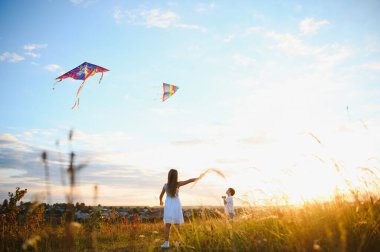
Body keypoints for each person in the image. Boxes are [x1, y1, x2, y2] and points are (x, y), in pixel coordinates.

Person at [159, 169, 199, 248]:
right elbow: (189, 180)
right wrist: (199, 178)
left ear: (169, 176)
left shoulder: (165, 185)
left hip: (168, 205)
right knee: (177, 225)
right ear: (176, 176)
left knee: (167, 225)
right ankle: (177, 243)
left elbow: (161, 195)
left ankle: (166, 243)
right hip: (176, 205)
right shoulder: (178, 184)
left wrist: (161, 201)